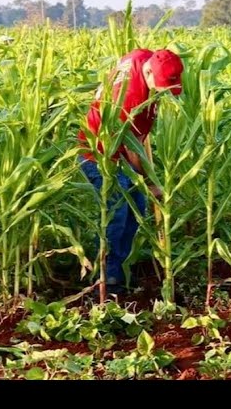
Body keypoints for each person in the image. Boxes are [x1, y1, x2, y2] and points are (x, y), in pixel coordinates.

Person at [77, 48, 184, 294]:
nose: (163, 93)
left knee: (137, 206)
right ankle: (105, 279)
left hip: (122, 151)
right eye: (160, 87)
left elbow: (129, 56)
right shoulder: (130, 99)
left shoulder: (143, 58)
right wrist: (149, 182)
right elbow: (133, 147)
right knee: (118, 209)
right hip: (99, 153)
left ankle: (121, 270)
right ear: (147, 72)